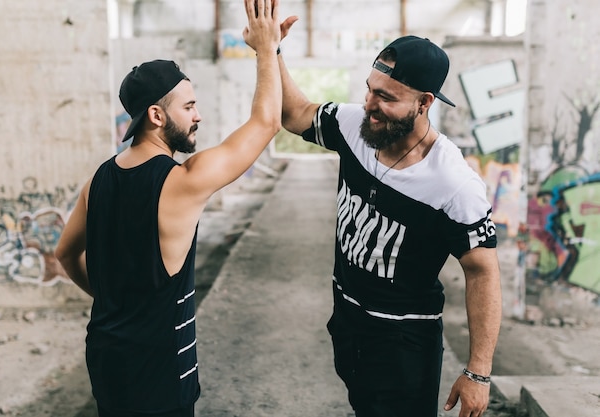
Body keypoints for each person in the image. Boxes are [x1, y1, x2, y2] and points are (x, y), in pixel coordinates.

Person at [53, 1, 281, 416]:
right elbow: (266, 124)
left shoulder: (98, 180)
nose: (199, 116)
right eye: (189, 106)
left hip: (107, 360)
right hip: (159, 376)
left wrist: (112, 302)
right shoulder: (182, 181)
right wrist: (268, 50)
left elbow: (65, 254)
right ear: (157, 115)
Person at [273, 18, 502, 417]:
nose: (369, 105)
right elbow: (295, 115)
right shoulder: (355, 127)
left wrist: (478, 372)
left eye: (386, 97)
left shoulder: (454, 184)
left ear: (425, 102)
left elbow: (482, 271)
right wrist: (270, 50)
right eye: (369, 89)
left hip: (402, 344)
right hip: (346, 323)